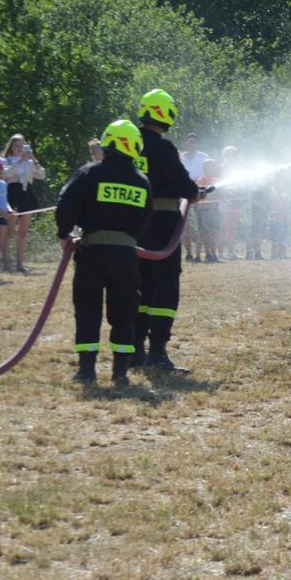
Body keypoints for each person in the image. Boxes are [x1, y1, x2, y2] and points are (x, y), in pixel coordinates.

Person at [58, 119, 152, 385]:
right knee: (124, 311)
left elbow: (66, 204)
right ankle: (120, 372)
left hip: (92, 252)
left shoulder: (90, 173)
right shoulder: (141, 180)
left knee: (88, 308)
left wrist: (64, 233)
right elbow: (146, 218)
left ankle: (87, 370)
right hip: (126, 256)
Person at [132, 89, 202, 374]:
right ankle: (158, 352)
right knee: (166, 285)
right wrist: (195, 192)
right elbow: (184, 186)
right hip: (162, 223)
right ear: (167, 113)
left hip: (133, 222)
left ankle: (134, 349)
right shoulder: (164, 148)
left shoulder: (129, 144)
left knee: (140, 286)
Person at [0, 134, 43, 274]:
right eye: (17, 146)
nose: (20, 149)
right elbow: (6, 174)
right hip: (12, 193)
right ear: (11, 147)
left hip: (26, 193)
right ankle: (6, 263)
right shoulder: (6, 160)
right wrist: (21, 160)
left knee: (23, 231)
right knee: (9, 230)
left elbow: (41, 175)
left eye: (22, 146)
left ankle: (20, 264)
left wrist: (33, 159)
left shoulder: (29, 162)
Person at [180, 134, 211, 261]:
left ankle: (206, 253)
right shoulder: (181, 157)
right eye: (189, 142)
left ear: (197, 143)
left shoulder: (204, 156)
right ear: (186, 143)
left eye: (194, 142)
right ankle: (188, 253)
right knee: (185, 225)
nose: (191, 144)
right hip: (184, 193)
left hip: (200, 192)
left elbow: (208, 172)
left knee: (203, 224)